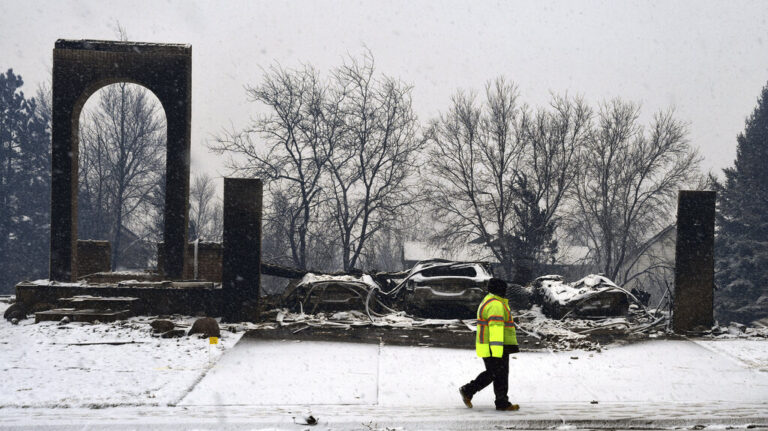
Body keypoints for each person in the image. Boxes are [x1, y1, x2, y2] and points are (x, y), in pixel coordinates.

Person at [459, 277, 520, 411]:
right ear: (500, 289)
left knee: (496, 374)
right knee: (497, 374)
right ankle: (469, 390)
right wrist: (498, 350)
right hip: (496, 346)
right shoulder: (496, 305)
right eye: (504, 289)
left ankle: (500, 401)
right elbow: (496, 328)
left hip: (489, 345)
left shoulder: (489, 301)